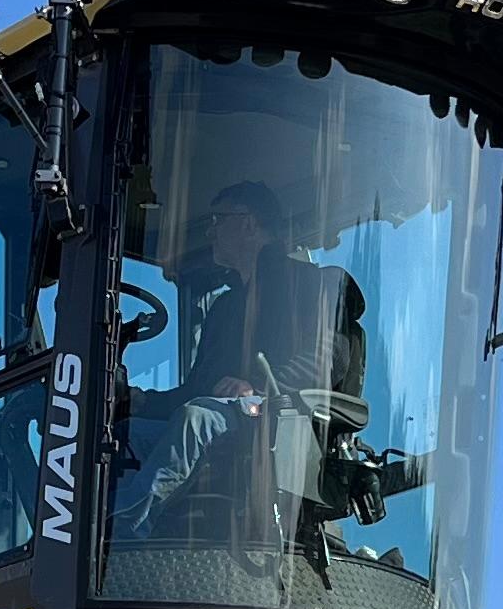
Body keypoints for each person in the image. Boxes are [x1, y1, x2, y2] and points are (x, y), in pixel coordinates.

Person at [138, 178, 367, 541]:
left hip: (273, 422)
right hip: (224, 417)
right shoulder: (225, 309)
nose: (210, 232)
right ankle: (100, 534)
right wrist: (139, 401)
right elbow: (197, 388)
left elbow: (330, 357)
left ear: (249, 223)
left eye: (218, 219)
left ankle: (124, 532)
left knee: (194, 420)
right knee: (126, 432)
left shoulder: (309, 284)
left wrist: (259, 386)